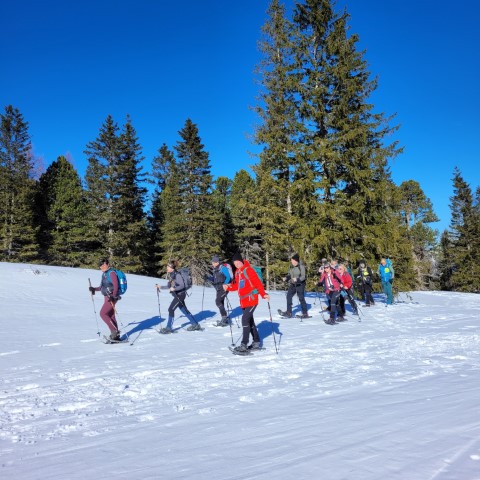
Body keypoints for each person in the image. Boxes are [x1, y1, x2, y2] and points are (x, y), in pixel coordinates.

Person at [223, 253, 270, 353]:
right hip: (244, 301)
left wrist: (263, 294)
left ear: (242, 261)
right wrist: (229, 287)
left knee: (245, 319)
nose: (236, 264)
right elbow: (237, 286)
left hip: (252, 300)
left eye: (238, 262)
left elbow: (258, 283)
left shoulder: (248, 270)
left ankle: (244, 344)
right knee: (250, 321)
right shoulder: (238, 272)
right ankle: (256, 342)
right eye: (235, 263)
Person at [159, 260, 201, 333]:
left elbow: (182, 285)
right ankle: (195, 324)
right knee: (184, 310)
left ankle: (169, 328)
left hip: (180, 295)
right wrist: (160, 287)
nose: (167, 267)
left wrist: (174, 289)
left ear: (172, 267)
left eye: (168, 266)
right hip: (178, 295)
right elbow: (169, 286)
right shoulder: (172, 275)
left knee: (171, 309)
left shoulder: (177, 275)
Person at [89, 258, 121, 341]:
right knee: (111, 316)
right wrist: (94, 289)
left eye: (103, 264)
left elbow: (116, 286)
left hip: (112, 297)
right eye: (101, 265)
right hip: (107, 296)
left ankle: (114, 332)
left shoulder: (112, 273)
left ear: (107, 264)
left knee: (103, 313)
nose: (102, 266)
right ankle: (116, 336)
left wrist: (113, 296)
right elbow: (102, 287)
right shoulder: (104, 274)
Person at [278, 253, 308, 318]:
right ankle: (289, 313)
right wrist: (286, 278)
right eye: (291, 260)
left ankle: (305, 313)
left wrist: (297, 279)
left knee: (301, 298)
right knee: (288, 296)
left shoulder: (301, 267)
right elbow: (289, 275)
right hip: (293, 284)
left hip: (300, 284)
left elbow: (303, 277)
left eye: (293, 260)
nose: (292, 262)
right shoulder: (291, 267)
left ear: (296, 260)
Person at [208, 255, 232, 327]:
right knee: (221, 302)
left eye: (214, 262)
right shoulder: (215, 269)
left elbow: (228, 277)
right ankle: (224, 318)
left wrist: (225, 284)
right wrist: (208, 278)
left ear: (217, 262)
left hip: (223, 288)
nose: (212, 263)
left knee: (218, 301)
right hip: (218, 288)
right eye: (212, 262)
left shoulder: (222, 268)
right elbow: (215, 279)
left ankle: (224, 318)